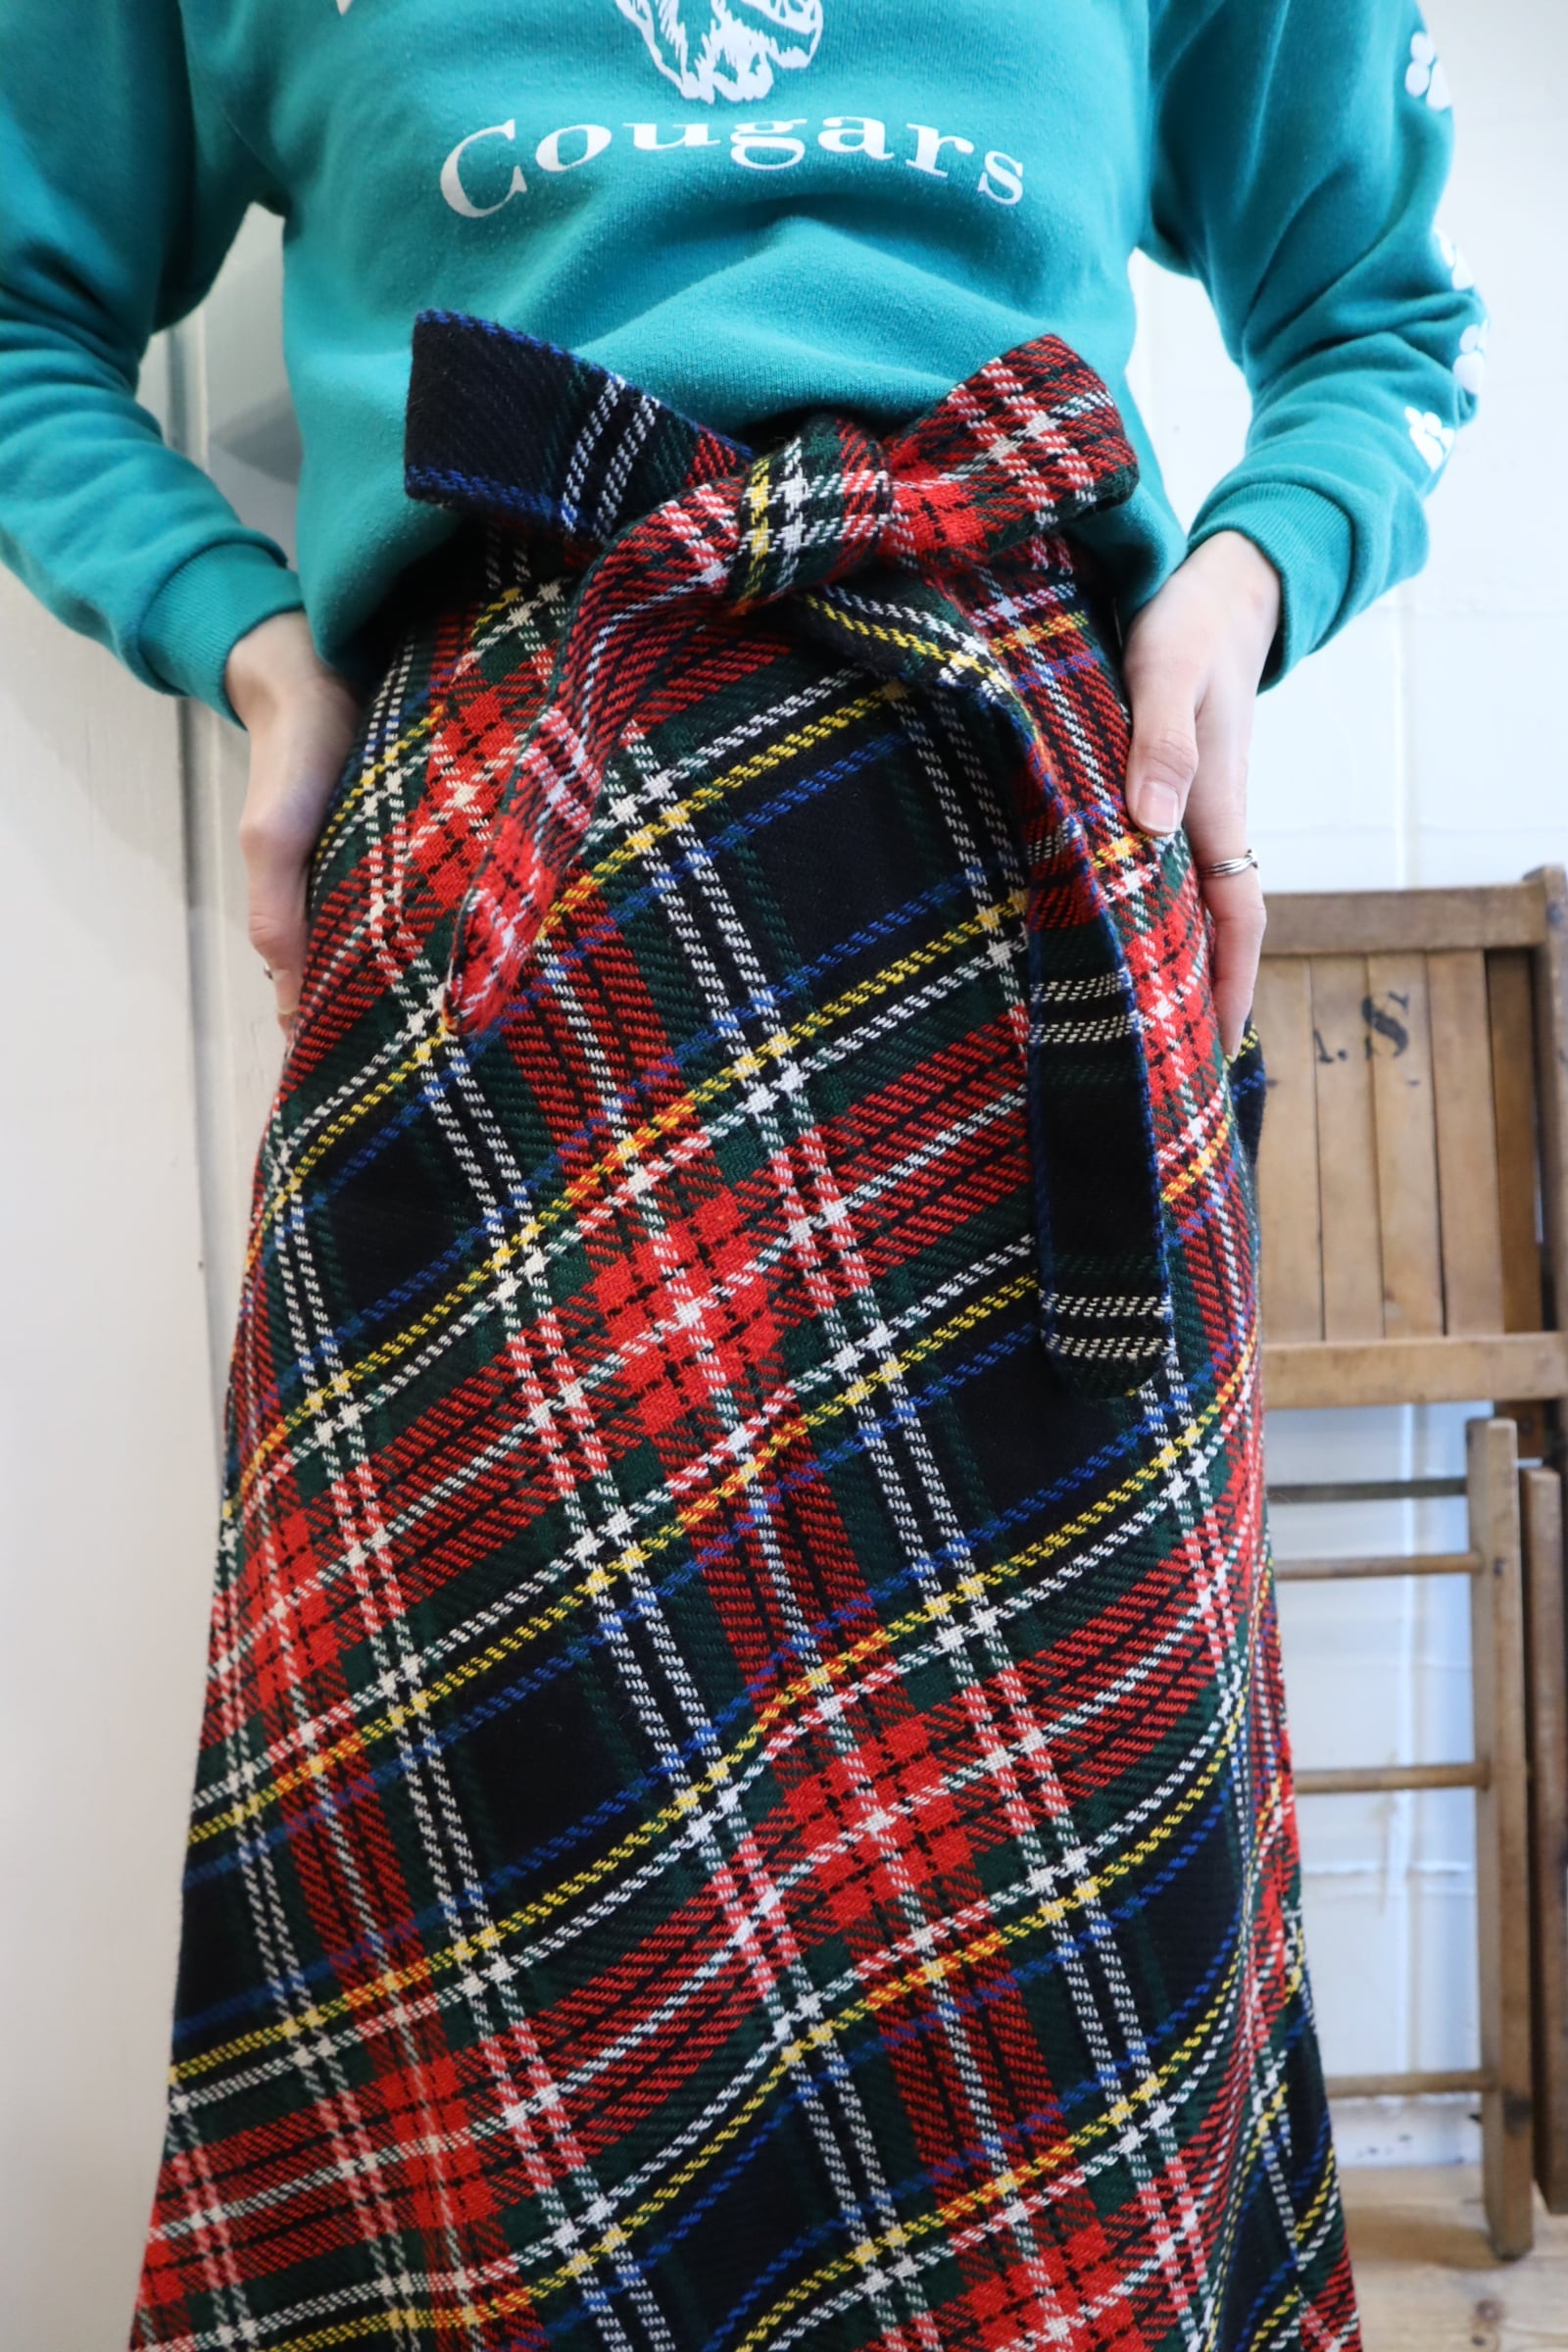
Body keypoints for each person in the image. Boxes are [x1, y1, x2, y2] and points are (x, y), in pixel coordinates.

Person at [0, 3, 1482, 2345]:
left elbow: (1378, 316)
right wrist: (253, 646)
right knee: (503, 1877)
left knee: (1041, 1913)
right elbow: (21, 305)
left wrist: (1235, 590)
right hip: (516, 895)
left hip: (1009, 896)